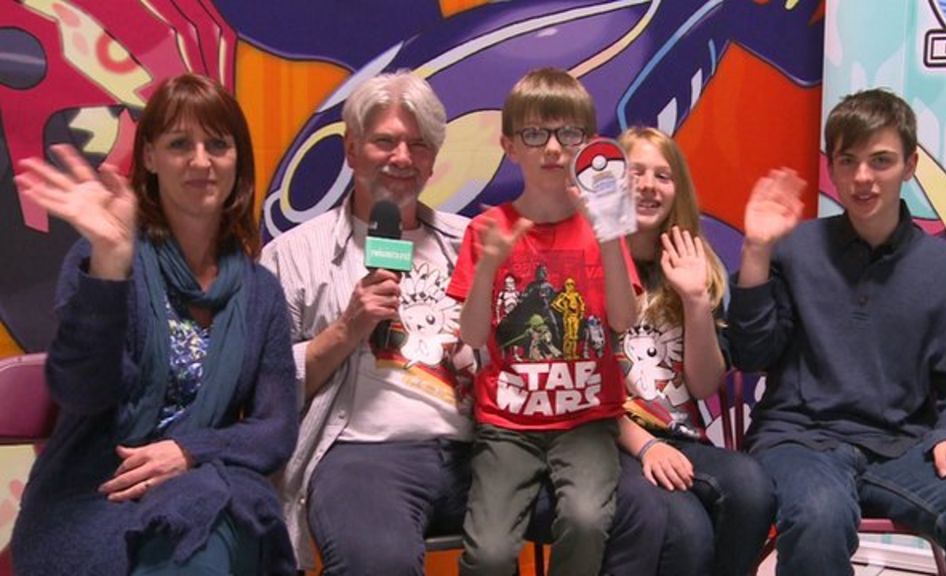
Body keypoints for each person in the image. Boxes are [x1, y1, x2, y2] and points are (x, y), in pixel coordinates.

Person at [264, 69, 671, 576]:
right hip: (367, 454)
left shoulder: (474, 236)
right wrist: (347, 328)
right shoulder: (294, 255)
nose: (402, 158)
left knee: (642, 511)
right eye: (385, 142)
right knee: (380, 561)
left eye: (418, 145)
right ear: (351, 150)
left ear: (434, 160)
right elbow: (266, 389)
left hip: (482, 440)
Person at [727, 87, 946, 575]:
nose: (862, 177)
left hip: (905, 447)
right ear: (833, 168)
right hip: (798, 440)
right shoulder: (795, 248)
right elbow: (750, 353)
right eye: (847, 161)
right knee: (818, 518)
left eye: (880, 160)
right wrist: (756, 251)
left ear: (910, 165)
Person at [11, 73, 299, 575]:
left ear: (238, 159)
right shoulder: (101, 260)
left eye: (217, 144)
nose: (201, 161)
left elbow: (275, 429)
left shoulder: (261, 293)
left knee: (212, 520)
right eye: (179, 144)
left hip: (204, 488)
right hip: (96, 494)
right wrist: (110, 265)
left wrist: (189, 450)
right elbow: (82, 392)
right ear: (149, 157)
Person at [447, 67, 641, 576]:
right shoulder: (488, 228)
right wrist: (489, 266)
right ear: (509, 146)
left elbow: (623, 320)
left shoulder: (604, 226)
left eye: (568, 134)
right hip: (507, 424)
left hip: (587, 420)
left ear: (588, 143)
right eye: (535, 134)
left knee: (586, 520)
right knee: (488, 554)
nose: (553, 148)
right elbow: (471, 336)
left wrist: (607, 238)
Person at [616, 126, 774, 575]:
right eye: (635, 172)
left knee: (753, 489)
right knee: (687, 528)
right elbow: (584, 389)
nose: (649, 185)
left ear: (678, 190)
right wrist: (646, 447)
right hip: (610, 438)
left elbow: (704, 386)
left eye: (662, 175)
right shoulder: (591, 260)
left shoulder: (693, 263)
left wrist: (695, 300)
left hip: (680, 433)